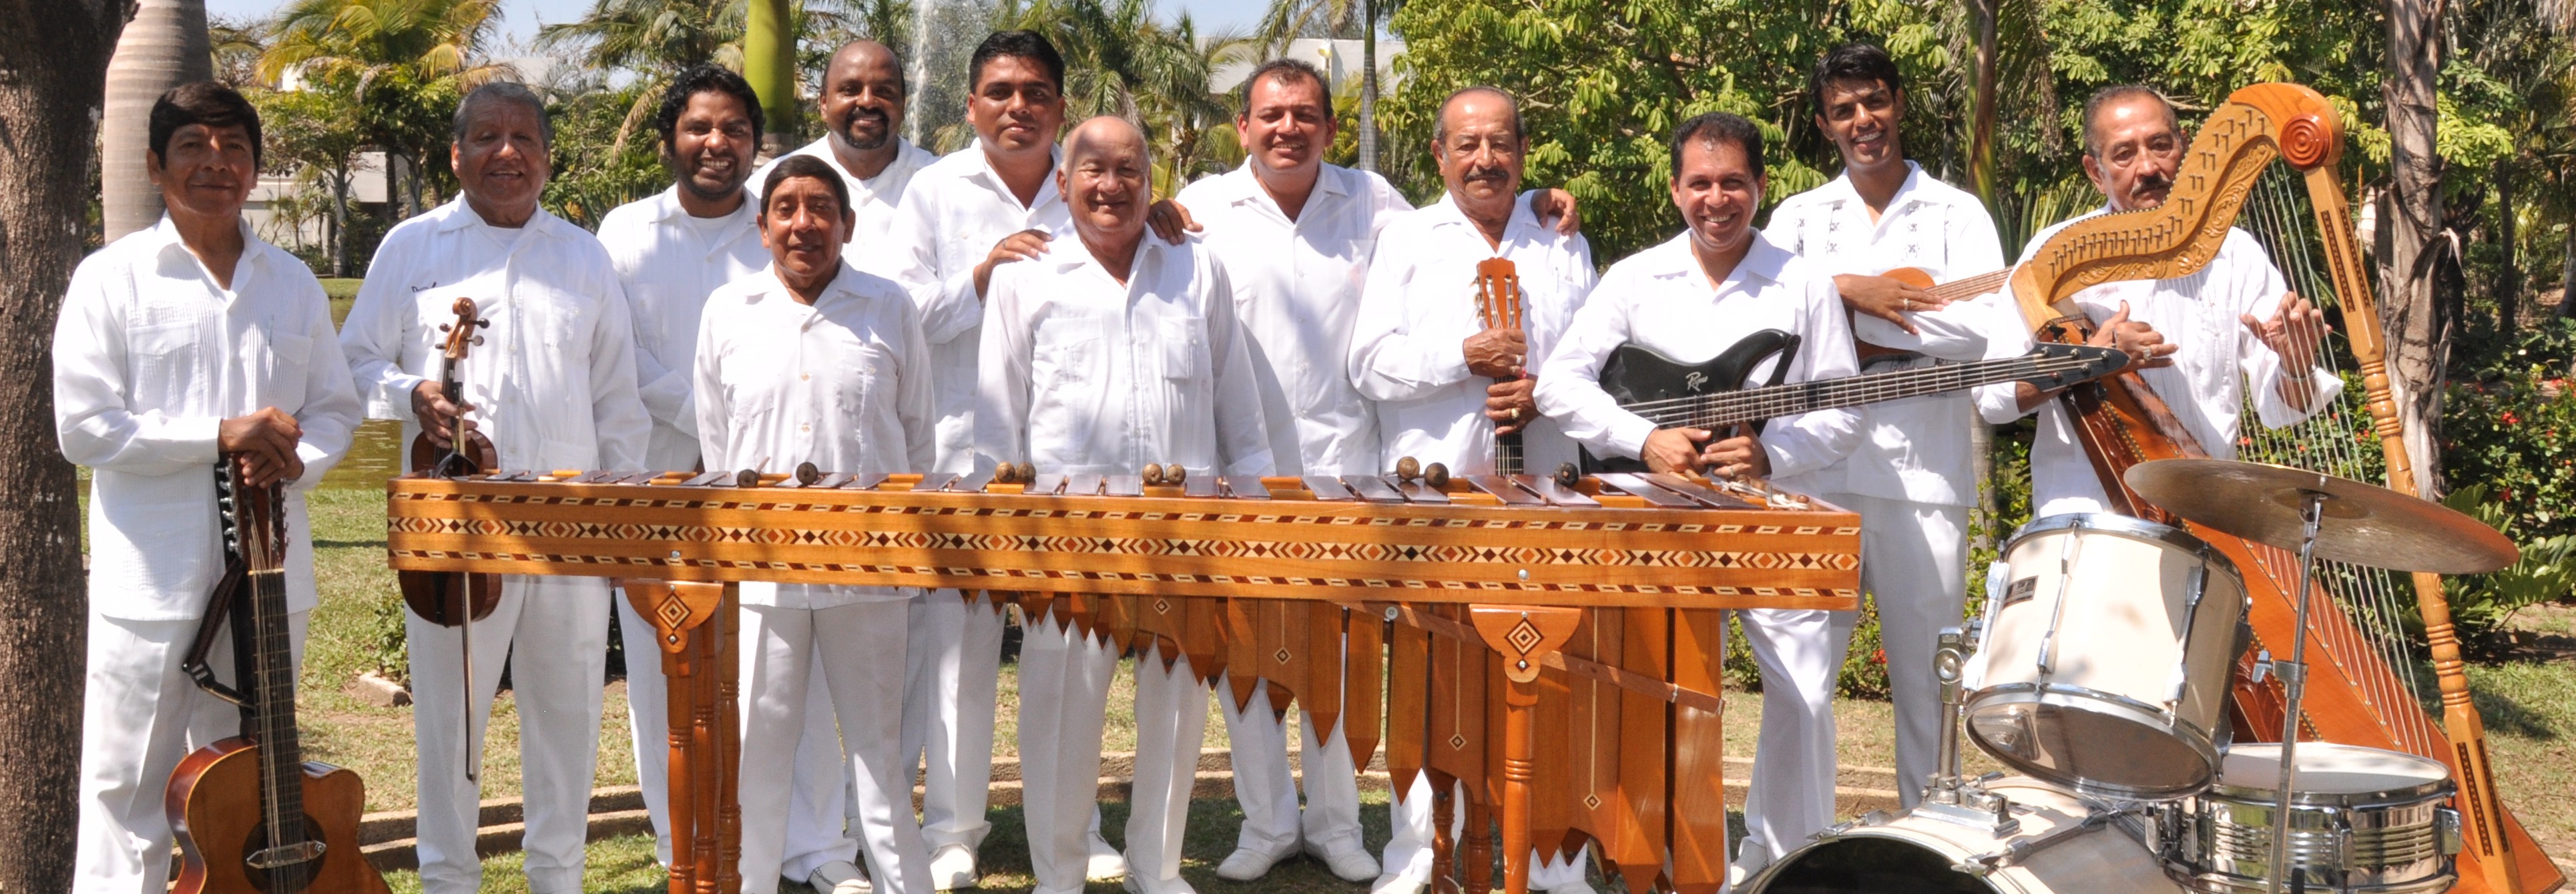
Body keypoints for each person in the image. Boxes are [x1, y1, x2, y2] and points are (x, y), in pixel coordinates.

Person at [1533, 110, 1861, 890]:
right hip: (1650, 514)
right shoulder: (1633, 277)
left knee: (1807, 691)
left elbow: (1844, 411)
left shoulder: (1803, 281)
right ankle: (1634, 844)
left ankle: (1786, 859)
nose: (1718, 200)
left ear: (1760, 186)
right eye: (1701, 184)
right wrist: (1640, 437)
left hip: (1769, 516)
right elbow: (1558, 383)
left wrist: (1771, 452)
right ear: (1676, 188)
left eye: (1734, 183)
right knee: (1638, 685)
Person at [340, 81, 652, 894]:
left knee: (568, 712)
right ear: (456, 154)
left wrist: (619, 523)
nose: (505, 152)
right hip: (456, 521)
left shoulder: (583, 256)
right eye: (485, 137)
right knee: (451, 718)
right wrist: (412, 393)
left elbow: (617, 397)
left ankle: (559, 878)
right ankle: (448, 881)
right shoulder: (410, 247)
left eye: (523, 138)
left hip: (569, 521)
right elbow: (354, 362)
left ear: (547, 157)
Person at [58, 81, 362, 894]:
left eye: (233, 147)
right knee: (128, 790)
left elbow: (335, 407)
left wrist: (301, 458)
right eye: (193, 146)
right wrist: (217, 436)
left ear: (256, 169)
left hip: (268, 581)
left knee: (247, 795)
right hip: (153, 584)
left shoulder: (292, 282)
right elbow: (83, 427)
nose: (215, 163)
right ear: (155, 165)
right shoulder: (110, 278)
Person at [595, 64, 874, 894]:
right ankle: (678, 837)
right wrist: (713, 412)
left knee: (802, 659)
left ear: (756, 141)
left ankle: (818, 847)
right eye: (698, 128)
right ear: (669, 139)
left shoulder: (783, 212)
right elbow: (621, 356)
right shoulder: (624, 233)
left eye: (734, 130)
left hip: (785, 487)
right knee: (662, 667)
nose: (717, 144)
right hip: (660, 482)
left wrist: (746, 435)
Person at [975, 116, 1273, 894]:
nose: (1111, 186)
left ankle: (1158, 868)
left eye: (1129, 169)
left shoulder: (1197, 265)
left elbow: (1237, 403)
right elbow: (995, 423)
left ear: (1151, 178)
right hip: (1062, 536)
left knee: (1175, 714)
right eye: (1093, 169)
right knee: (1059, 716)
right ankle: (1060, 875)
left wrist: (1257, 509)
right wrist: (1003, 541)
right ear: (1064, 178)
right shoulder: (1024, 273)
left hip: (1187, 531)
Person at [1346, 85, 1598, 894]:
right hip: (1437, 496)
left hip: (1544, 492)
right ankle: (1421, 856)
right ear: (1438, 156)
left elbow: (1593, 358)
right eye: (1467, 144)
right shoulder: (1407, 239)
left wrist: (1542, 391)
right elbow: (1368, 361)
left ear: (1522, 151)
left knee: (1553, 664)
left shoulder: (1561, 237)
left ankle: (1553, 856)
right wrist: (1463, 355)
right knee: (1430, 675)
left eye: (1500, 143)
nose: (1485, 158)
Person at [1758, 43, 2011, 837]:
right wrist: (1850, 291)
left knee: (1930, 682)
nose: (1862, 121)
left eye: (1873, 102)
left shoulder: (1957, 213)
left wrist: (1848, 322)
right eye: (1843, 110)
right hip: (1813, 470)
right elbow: (1765, 325)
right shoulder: (1797, 217)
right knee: (1800, 680)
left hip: (1924, 476)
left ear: (1898, 102)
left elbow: (1985, 329)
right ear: (1826, 125)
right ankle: (1780, 846)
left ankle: (1930, 846)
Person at [698, 154, 940, 894]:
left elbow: (918, 437)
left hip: (870, 576)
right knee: (760, 756)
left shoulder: (888, 306)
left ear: (847, 224)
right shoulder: (726, 312)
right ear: (763, 224)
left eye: (821, 208)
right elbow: (717, 445)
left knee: (880, 756)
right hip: (762, 578)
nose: (805, 223)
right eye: (787, 208)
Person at [1978, 85, 2334, 515]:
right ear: (2096, 171)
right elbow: (1994, 397)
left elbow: (2284, 411)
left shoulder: (2235, 253)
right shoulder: (2052, 257)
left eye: (2160, 145)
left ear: (2183, 147)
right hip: (2085, 517)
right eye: (2124, 154)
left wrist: (2295, 364)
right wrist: (2091, 359)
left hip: (2204, 515)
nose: (2148, 167)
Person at [746, 39, 939, 253]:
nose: (867, 101)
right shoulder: (770, 184)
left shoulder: (939, 182)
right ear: (824, 104)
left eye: (884, 91)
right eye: (850, 90)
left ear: (903, 105)